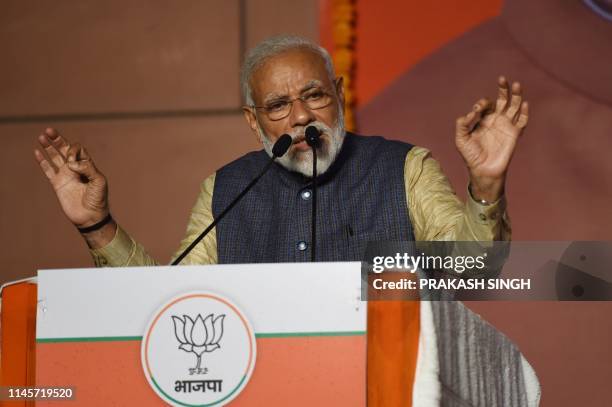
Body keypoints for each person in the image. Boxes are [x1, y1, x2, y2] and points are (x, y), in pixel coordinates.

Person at [33, 35, 528, 267]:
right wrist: (96, 226)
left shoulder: (404, 167)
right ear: (254, 121)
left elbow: (472, 276)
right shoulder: (225, 189)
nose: (300, 117)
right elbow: (172, 303)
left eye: (314, 96)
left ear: (337, 95)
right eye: (277, 106)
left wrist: (486, 186)